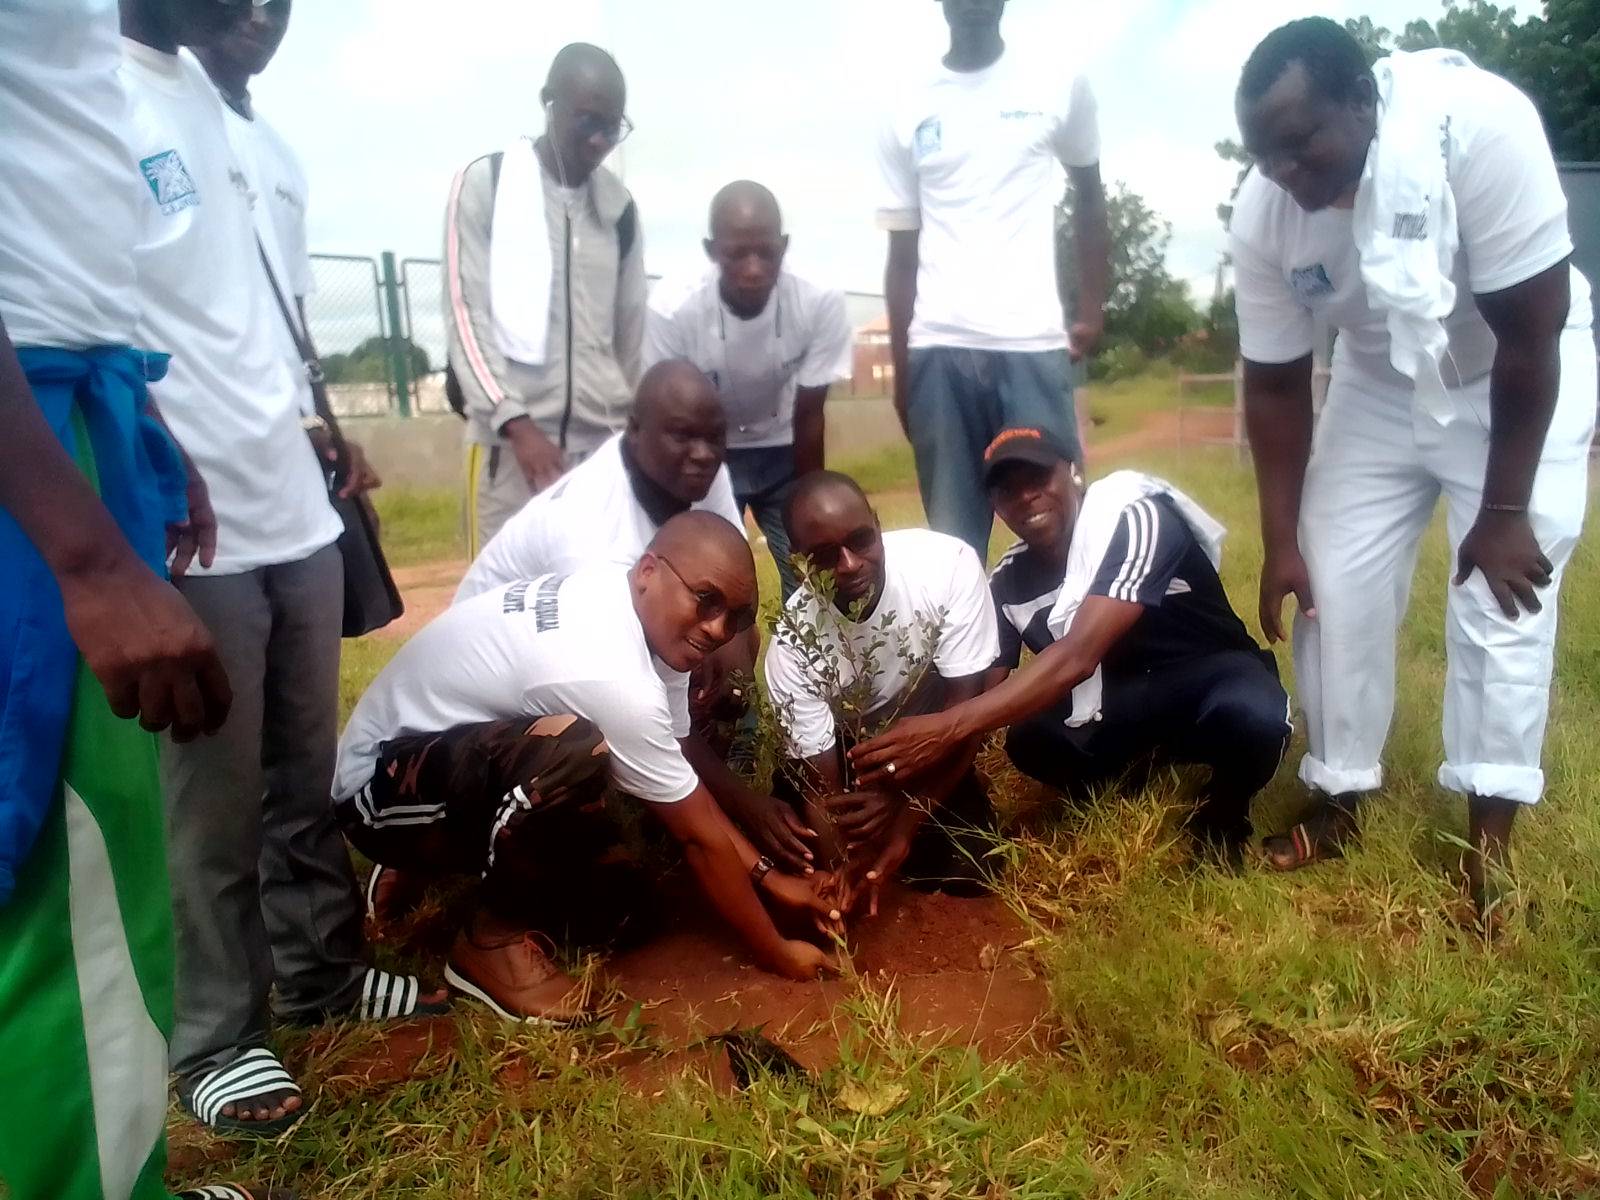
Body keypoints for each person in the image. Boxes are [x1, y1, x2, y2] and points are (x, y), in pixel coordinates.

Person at [120, 0, 445, 1140]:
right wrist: (153, 465)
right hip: (190, 523)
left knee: (299, 785)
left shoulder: (226, 117)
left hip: (295, 511)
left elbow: (252, 305)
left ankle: (321, 980)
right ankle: (216, 1036)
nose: (255, 8)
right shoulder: (97, 100)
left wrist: (318, 419)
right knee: (207, 809)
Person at [0, 3, 294, 1196]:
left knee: (83, 877)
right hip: (34, 425)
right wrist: (85, 553)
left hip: (81, 397)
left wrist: (139, 418)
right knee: (67, 894)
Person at [1230, 19, 1595, 914]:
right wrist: (1282, 540)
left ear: (1364, 102)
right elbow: (1275, 386)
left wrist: (1503, 512)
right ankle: (1341, 791)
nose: (1283, 172)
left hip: (1513, 373)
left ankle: (1489, 853)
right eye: (1264, 154)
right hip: (1380, 372)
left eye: (1299, 143)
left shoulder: (1478, 130)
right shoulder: (1266, 212)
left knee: (1504, 599)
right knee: (1332, 584)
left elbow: (1532, 328)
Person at [333, 513, 838, 1022]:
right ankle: (489, 943)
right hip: (375, 786)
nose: (717, 628)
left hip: (446, 746)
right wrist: (776, 950)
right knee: (573, 750)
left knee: (628, 907)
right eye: (706, 600)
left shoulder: (632, 606)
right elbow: (697, 836)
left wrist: (768, 877)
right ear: (648, 571)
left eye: (736, 616)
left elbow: (680, 752)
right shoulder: (613, 675)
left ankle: (438, 851)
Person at [448, 360, 818, 885]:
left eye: (715, 439)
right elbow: (631, 694)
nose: (703, 455)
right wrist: (747, 806)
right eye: (682, 436)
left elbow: (733, 587)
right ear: (636, 429)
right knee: (603, 742)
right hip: (481, 708)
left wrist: (730, 675)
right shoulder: (589, 527)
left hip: (565, 658)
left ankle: (679, 801)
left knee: (720, 656)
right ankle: (447, 850)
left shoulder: (701, 471)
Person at [850, 429, 1292, 862]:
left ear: (1073, 473)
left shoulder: (1135, 518)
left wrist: (947, 726)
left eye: (1038, 479)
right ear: (995, 506)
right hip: (1118, 702)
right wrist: (904, 783)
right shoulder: (1007, 581)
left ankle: (1224, 812)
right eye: (1007, 490)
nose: (1025, 497)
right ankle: (1126, 776)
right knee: (1030, 739)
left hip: (1205, 679)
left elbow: (1078, 656)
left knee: (1254, 717)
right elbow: (984, 693)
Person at [875, 0, 1109, 560]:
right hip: (938, 347)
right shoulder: (906, 104)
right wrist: (905, 376)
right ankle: (973, 653)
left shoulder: (1057, 83)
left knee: (1066, 534)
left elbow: (1090, 194)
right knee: (952, 550)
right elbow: (901, 253)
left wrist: (1093, 306)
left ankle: (1085, 651)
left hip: (1030, 342)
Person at [763, 472, 1000, 914]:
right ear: (798, 562)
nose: (850, 564)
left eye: (861, 540)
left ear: (877, 524)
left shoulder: (947, 567)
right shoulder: (792, 646)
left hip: (933, 735)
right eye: (826, 556)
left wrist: (903, 817)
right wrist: (848, 863)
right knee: (800, 854)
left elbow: (964, 719)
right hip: (845, 748)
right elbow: (824, 791)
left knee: (971, 867)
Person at [444, 42, 648, 555]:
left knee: (598, 598)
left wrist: (634, 432)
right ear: (548, 101)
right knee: (500, 607)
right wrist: (514, 421)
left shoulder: (618, 209)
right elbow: (465, 316)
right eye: (588, 121)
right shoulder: (486, 184)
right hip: (508, 451)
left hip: (599, 452)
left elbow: (632, 337)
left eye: (613, 126)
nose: (601, 140)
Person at [192, 0, 381, 492]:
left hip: (296, 433)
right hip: (205, 438)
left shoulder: (281, 155)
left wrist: (328, 425)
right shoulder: (151, 111)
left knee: (350, 561)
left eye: (277, 7)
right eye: (250, 2)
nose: (262, 18)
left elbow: (293, 316)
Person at [646, 181, 853, 598]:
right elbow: (668, 419)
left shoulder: (819, 300)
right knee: (709, 579)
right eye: (737, 254)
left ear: (784, 245)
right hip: (708, 453)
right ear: (711, 250)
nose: (754, 268)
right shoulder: (673, 308)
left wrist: (808, 508)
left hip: (786, 447)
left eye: (766, 252)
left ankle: (818, 662)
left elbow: (811, 413)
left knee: (810, 578)